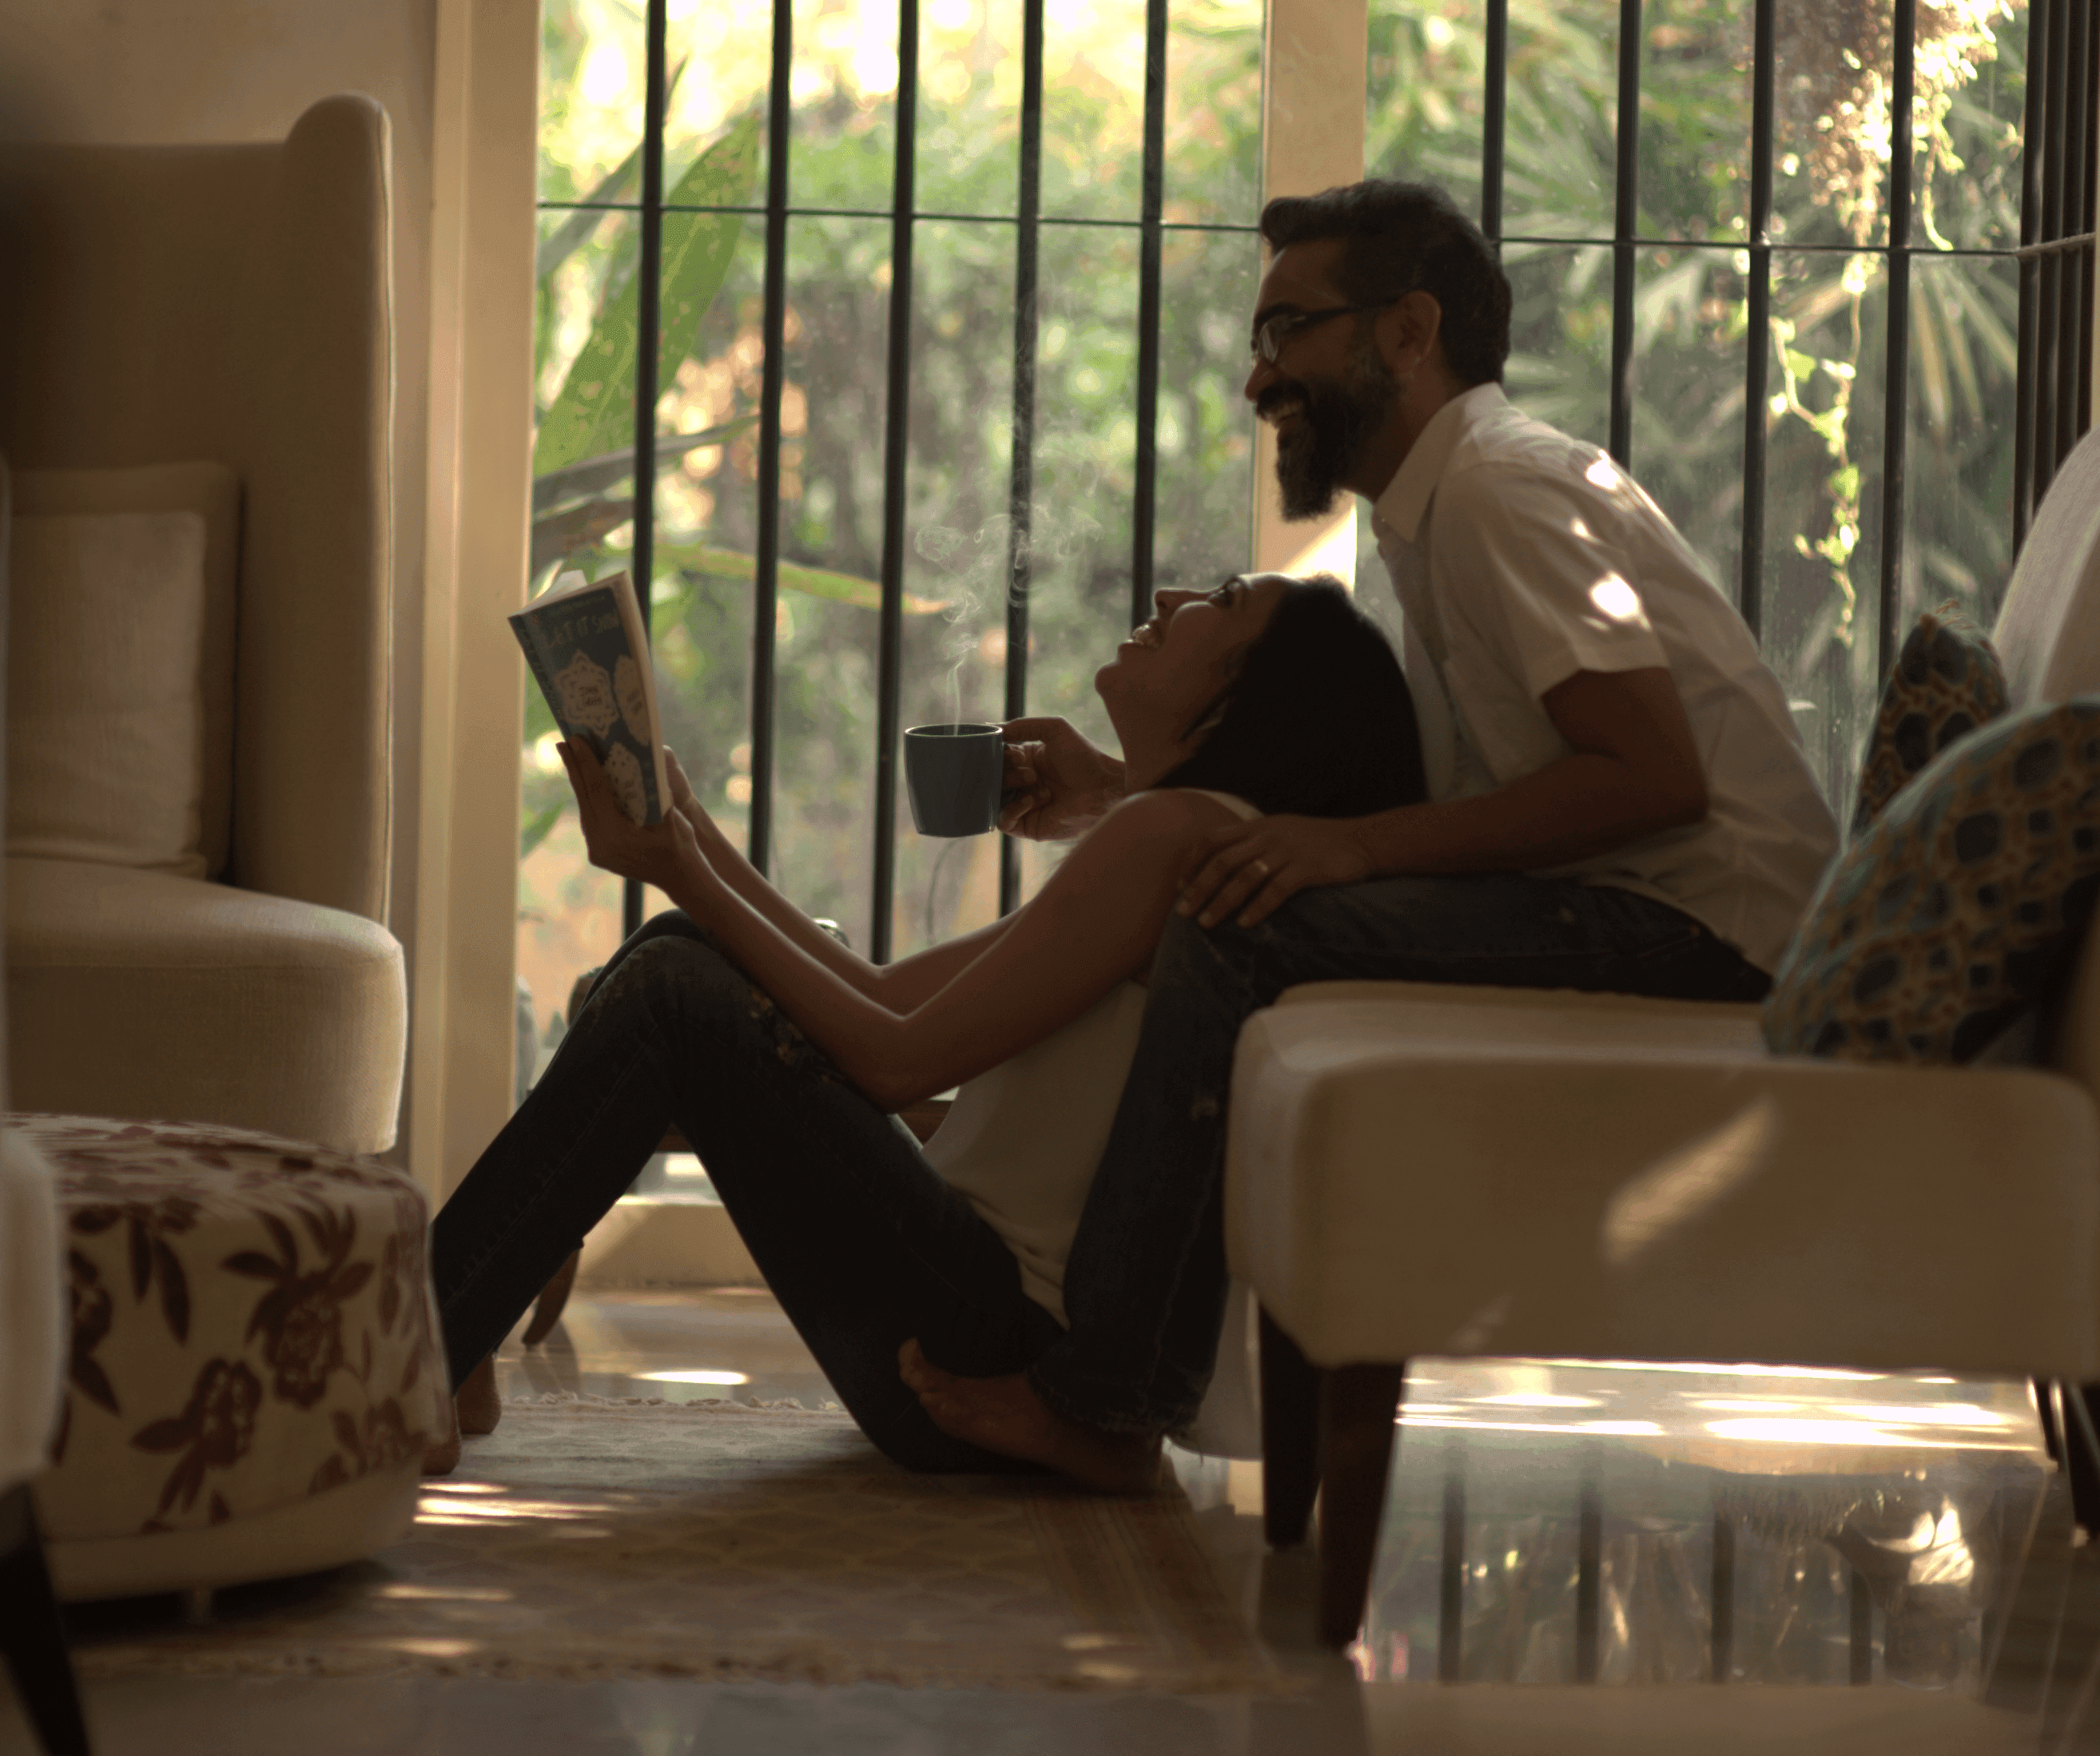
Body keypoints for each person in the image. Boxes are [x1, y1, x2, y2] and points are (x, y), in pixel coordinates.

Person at [905, 174, 1841, 1487]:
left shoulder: (1500, 493)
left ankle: (1108, 1392)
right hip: (1645, 899)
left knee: (1231, 923)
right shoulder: (1438, 507)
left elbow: (1648, 778)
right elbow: (1416, 795)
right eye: (1258, 340)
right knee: (1234, 886)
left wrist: (1346, 854)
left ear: (1406, 333)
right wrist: (1123, 790)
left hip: (1705, 929)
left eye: (1288, 331)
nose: (1257, 380)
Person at [425, 573, 1425, 1478]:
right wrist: (689, 837)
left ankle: (409, 1351)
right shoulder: (1179, 829)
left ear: (1262, 697)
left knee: (673, 989)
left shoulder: (1176, 837)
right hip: (964, 1308)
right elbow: (891, 994)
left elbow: (894, 1064)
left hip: (982, 1340)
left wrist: (678, 859)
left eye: (1225, 598)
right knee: (683, 946)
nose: (1170, 596)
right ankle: (449, 1342)